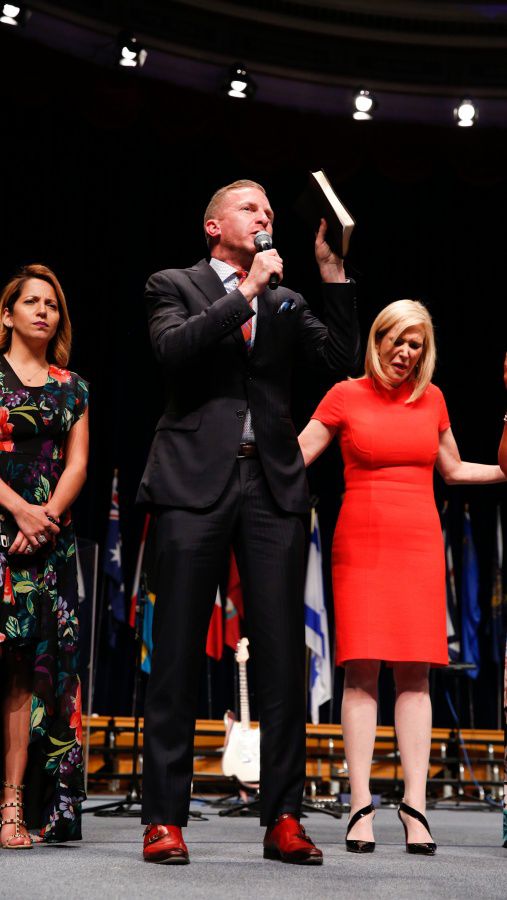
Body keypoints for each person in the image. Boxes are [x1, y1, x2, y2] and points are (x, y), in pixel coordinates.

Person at [137, 178, 360, 865]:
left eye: (269, 209)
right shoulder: (173, 284)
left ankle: (283, 816)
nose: (265, 216)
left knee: (280, 658)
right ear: (214, 226)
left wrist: (330, 272)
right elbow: (173, 351)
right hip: (191, 480)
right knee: (176, 652)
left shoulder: (287, 299)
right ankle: (164, 818)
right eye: (249, 207)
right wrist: (247, 290)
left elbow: (342, 363)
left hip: (271, 484)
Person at [298, 299, 506, 856]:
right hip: (361, 542)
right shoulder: (344, 394)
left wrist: (503, 471)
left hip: (418, 544)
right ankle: (360, 805)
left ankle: (416, 806)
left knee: (416, 675)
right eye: (399, 341)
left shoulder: (431, 398)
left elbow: (453, 469)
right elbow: (296, 456)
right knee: (361, 671)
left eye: (417, 344)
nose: (407, 352)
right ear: (378, 339)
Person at [0, 264, 89, 847]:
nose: (42, 312)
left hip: (47, 544)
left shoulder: (72, 386)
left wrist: (45, 517)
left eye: (51, 305)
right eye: (31, 302)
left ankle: (14, 805)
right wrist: (19, 511)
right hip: (4, 525)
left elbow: (77, 464)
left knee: (27, 673)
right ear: (7, 314)